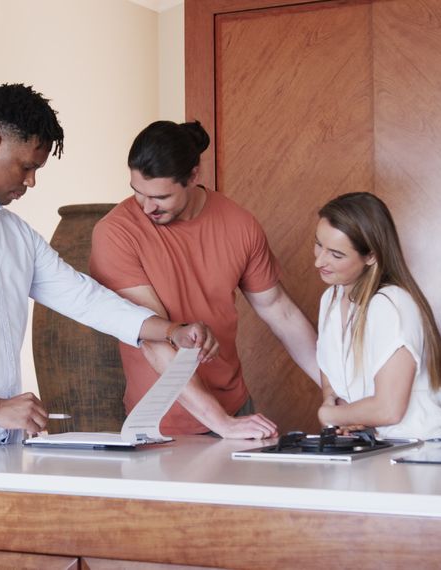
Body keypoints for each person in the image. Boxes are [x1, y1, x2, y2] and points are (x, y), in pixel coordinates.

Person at [0, 83, 219, 458]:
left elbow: (84, 298)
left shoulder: (15, 234)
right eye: (26, 167)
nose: (31, 181)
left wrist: (171, 330)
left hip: (0, 441)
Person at [89, 120, 320, 440]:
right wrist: (221, 422)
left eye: (160, 197)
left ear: (194, 176)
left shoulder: (239, 224)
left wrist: (336, 387)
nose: (146, 207)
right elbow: (153, 339)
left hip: (235, 411)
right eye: (137, 192)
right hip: (159, 425)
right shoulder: (115, 233)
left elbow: (279, 310)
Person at [313, 192, 441, 441]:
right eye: (319, 244)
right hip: (367, 450)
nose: (319, 261)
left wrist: (331, 416)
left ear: (371, 256)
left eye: (336, 254)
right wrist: (341, 414)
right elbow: (334, 393)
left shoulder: (390, 304)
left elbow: (388, 409)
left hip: (414, 455)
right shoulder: (330, 300)